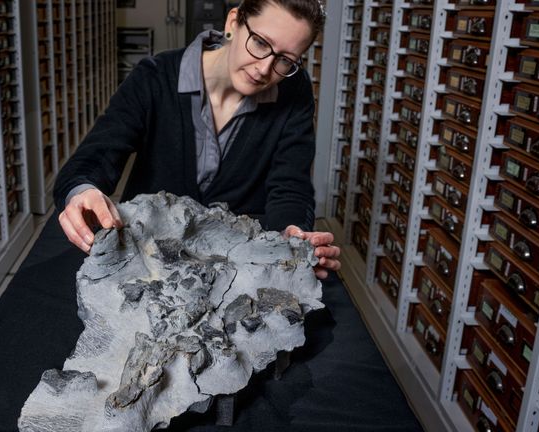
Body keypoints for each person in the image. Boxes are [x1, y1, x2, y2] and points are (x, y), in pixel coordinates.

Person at [54, 0, 340, 279]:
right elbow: (97, 155)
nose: (265, 69)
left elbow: (291, 184)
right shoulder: (154, 77)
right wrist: (82, 191)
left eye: (285, 60)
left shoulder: (294, 91)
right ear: (233, 22)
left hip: (235, 264)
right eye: (261, 43)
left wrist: (290, 233)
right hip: (150, 259)